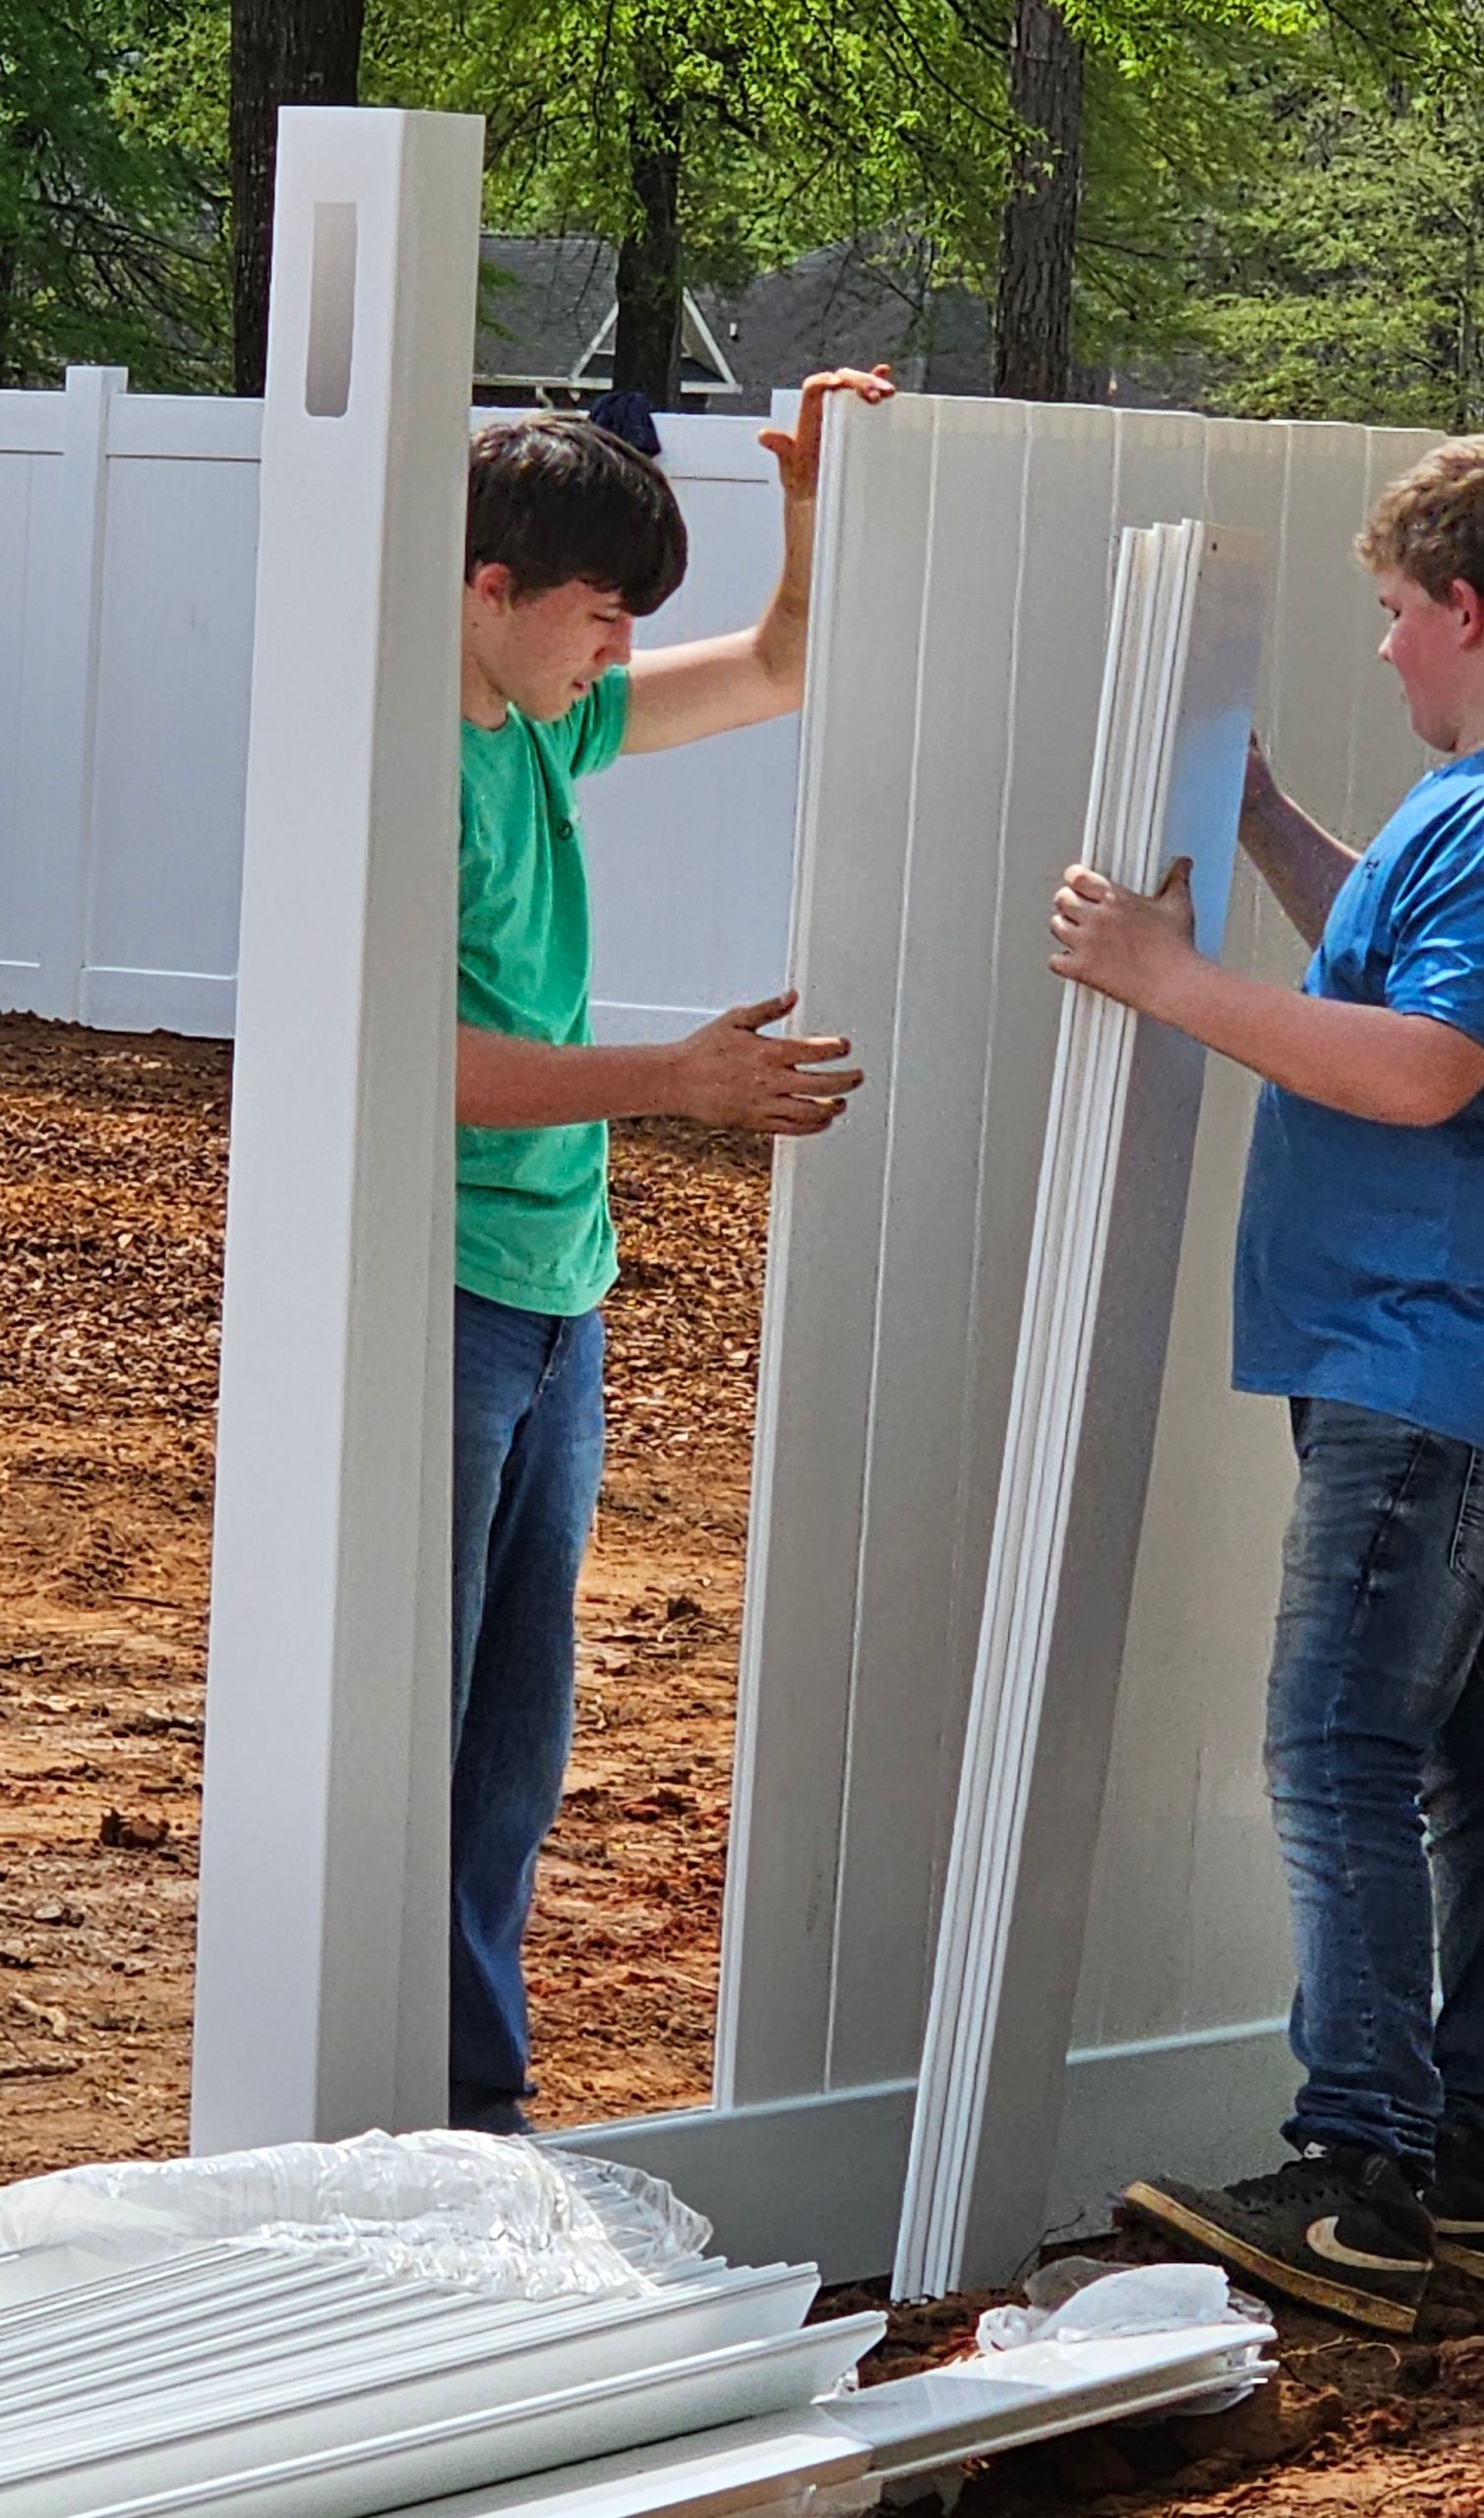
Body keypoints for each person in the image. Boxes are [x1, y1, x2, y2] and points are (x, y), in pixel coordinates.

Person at [1046, 434, 1484, 2335]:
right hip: (1472, 1353)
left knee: (1340, 1746)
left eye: (1395, 615)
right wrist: (1264, 821)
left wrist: (1163, 980)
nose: (1386, 648)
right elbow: (1398, 978)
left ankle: (1365, 2173)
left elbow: (1418, 1070)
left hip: (1436, 1356)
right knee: (1480, 1766)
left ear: (1466, 607)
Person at [450, 366, 893, 2134]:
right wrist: (679, 1079)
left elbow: (784, 667)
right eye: (601, 615)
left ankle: (472, 2101)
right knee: (431, 1727)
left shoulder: (542, 720)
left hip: (560, 1291)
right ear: (492, 589)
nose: (621, 652)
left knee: (513, 1745)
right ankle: (429, 2108)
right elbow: (413, 1060)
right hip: (458, 1296)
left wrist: (807, 497)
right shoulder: (418, 764)